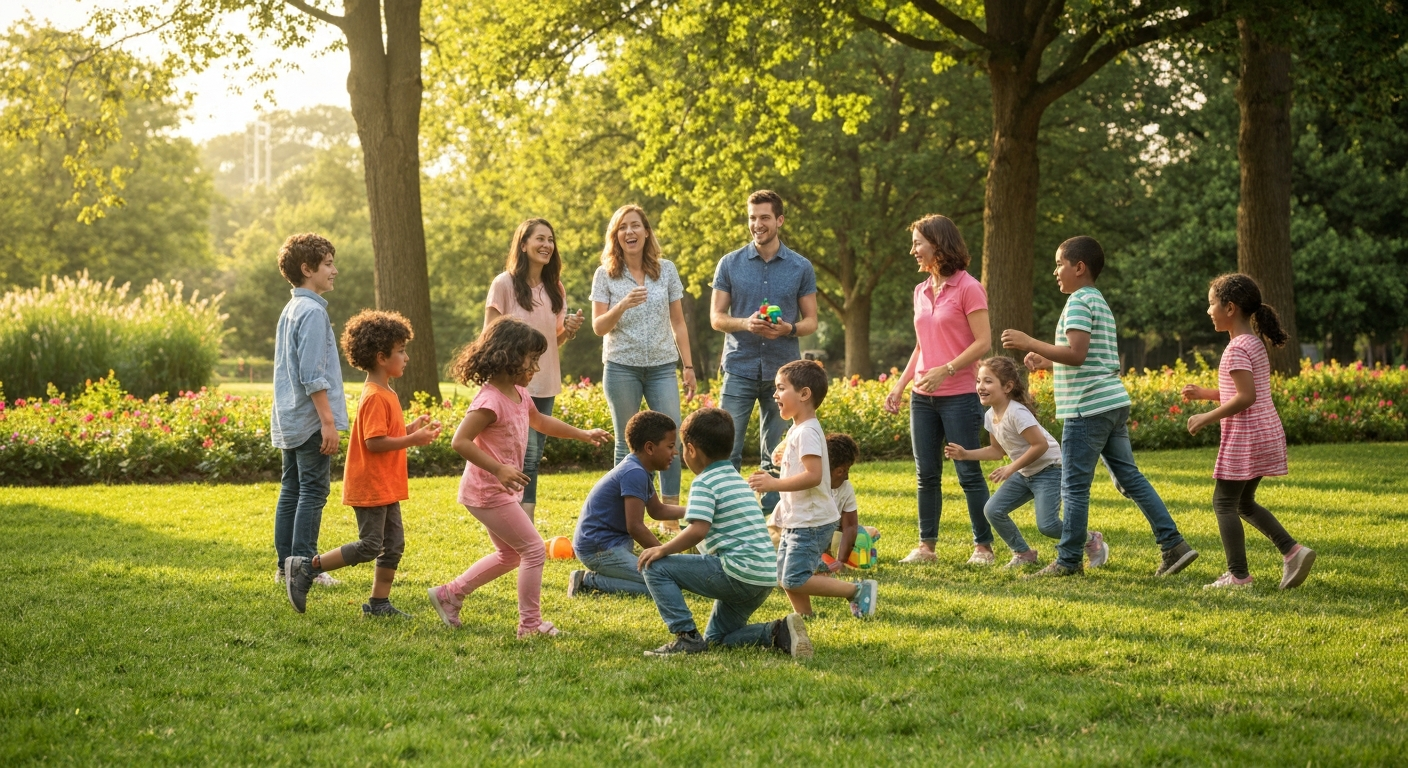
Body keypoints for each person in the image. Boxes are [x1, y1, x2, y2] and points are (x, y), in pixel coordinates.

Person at [1002, 236, 1199, 578]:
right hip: (1110, 403)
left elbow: (1077, 354)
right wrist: (1048, 361)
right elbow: (1091, 358)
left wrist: (1030, 341)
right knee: (1130, 479)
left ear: (1079, 267)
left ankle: (1067, 561)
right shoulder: (1098, 302)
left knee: (1074, 487)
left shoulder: (1078, 302)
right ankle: (1174, 545)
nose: (1055, 272)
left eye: (1060, 264)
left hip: (1086, 409)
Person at [427, 318, 610, 638]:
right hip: (487, 490)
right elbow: (460, 441)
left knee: (511, 554)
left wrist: (583, 434)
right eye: (531, 360)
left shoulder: (519, 395)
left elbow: (540, 421)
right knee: (534, 550)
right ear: (508, 357)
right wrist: (498, 469)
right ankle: (530, 625)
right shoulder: (489, 400)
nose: (535, 368)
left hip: (499, 489)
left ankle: (449, 594)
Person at [284, 310, 442, 616]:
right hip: (371, 484)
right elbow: (374, 443)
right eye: (401, 351)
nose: (406, 357)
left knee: (393, 545)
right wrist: (413, 440)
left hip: (386, 485)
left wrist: (409, 429)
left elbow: (384, 434)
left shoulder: (387, 392)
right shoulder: (374, 396)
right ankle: (307, 567)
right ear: (382, 357)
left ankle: (379, 603)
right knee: (371, 545)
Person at [636, 407, 813, 658]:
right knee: (717, 639)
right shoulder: (735, 479)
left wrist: (663, 549)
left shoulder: (704, 482)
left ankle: (686, 637)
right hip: (762, 576)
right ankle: (777, 631)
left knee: (655, 567)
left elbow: (698, 530)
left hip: (736, 572)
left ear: (691, 449)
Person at [1182, 274, 1315, 589]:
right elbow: (1241, 388)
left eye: (1212, 303)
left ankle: (1238, 576)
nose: (1208, 310)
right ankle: (1292, 551)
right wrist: (1206, 393)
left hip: (1246, 436)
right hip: (1263, 431)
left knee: (1223, 503)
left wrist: (1205, 417)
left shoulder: (1236, 349)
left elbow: (1246, 397)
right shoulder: (1251, 342)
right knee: (1243, 503)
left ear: (1230, 307)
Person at [884, 215, 994, 566]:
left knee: (967, 472)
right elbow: (922, 345)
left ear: (938, 244)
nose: (913, 250)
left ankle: (983, 547)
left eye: (918, 243)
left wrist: (946, 370)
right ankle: (926, 547)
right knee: (926, 473)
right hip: (922, 397)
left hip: (961, 394)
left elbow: (984, 342)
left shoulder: (968, 287)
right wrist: (901, 385)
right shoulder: (920, 291)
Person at [710, 190, 819, 515]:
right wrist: (745, 323)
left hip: (783, 373)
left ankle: (774, 518)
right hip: (739, 368)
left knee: (779, 452)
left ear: (779, 220)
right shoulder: (729, 263)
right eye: (752, 218)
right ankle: (729, 513)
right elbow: (716, 318)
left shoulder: (801, 267)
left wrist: (790, 329)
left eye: (764, 218)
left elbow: (811, 320)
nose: (757, 224)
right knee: (725, 446)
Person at [591, 205, 696, 529]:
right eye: (623, 227)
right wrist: (622, 304)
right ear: (616, 236)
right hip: (622, 366)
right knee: (626, 443)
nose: (630, 232)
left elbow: (678, 322)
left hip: (663, 366)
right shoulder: (604, 274)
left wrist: (688, 366)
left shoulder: (665, 270)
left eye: (635, 226)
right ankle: (625, 516)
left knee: (673, 437)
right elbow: (598, 327)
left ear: (646, 232)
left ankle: (670, 519)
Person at [748, 360, 877, 618]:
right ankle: (805, 616)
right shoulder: (799, 429)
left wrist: (773, 484)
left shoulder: (806, 431)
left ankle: (855, 590)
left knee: (795, 578)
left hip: (811, 521)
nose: (775, 394)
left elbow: (814, 476)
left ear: (804, 394)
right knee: (785, 575)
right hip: (798, 519)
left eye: (781, 388)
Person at [484, 218, 585, 520]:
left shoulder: (555, 289)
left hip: (544, 383)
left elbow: (552, 341)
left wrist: (569, 329)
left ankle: (523, 522)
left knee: (532, 458)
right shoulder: (504, 284)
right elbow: (489, 333)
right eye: (540, 239)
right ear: (524, 244)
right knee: (512, 454)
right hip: (511, 384)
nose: (546, 245)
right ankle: (507, 518)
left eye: (551, 240)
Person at [270, 233, 348, 588]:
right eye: (328, 264)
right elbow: (313, 377)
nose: (334, 270)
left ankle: (283, 565)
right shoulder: (313, 312)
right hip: (311, 420)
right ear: (307, 269)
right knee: (313, 491)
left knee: (292, 489)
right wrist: (328, 424)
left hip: (290, 418)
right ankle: (302, 567)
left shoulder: (291, 309)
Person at [943, 357, 1063, 569]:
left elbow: (1040, 445)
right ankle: (1023, 553)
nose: (981, 387)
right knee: (993, 510)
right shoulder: (990, 415)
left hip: (1050, 470)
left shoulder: (1017, 412)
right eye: (979, 381)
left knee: (1048, 525)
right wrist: (965, 454)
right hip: (1026, 472)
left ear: (1007, 386)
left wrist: (1011, 468)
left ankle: (1090, 539)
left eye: (988, 381)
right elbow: (996, 451)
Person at [567, 411, 687, 597]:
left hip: (615, 543)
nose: (676, 452)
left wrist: (693, 511)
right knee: (663, 582)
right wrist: (664, 556)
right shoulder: (634, 473)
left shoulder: (641, 469)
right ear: (649, 448)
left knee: (664, 578)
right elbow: (636, 527)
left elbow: (657, 510)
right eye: (671, 446)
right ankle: (588, 581)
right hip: (599, 549)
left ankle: (602, 577)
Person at [824, 433, 862, 572]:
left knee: (861, 536)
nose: (847, 476)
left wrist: (840, 561)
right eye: (841, 471)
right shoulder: (811, 488)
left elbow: (851, 526)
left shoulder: (845, 488)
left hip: (830, 531)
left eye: (848, 470)